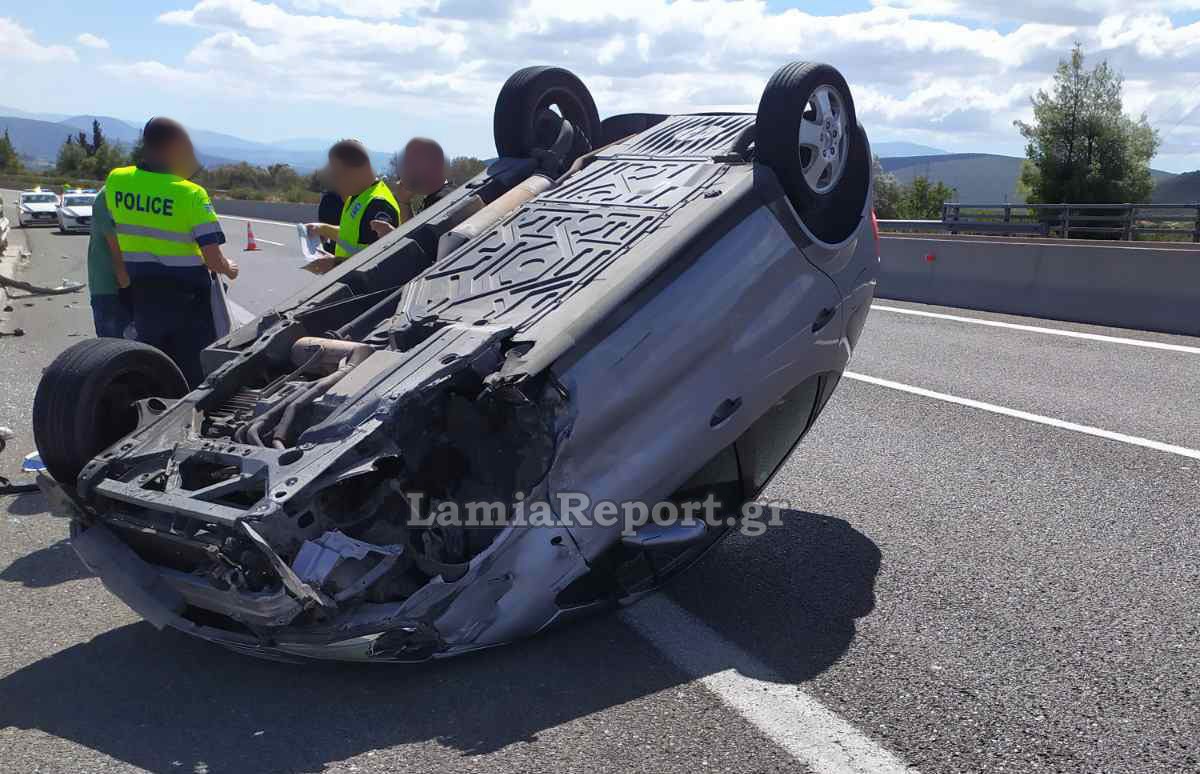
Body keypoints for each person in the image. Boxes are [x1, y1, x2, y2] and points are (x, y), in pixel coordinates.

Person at [105, 117, 239, 387]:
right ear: (175, 148)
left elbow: (113, 230)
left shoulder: (117, 180)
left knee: (152, 364)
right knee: (193, 371)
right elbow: (213, 259)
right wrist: (230, 268)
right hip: (189, 301)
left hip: (144, 293)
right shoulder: (191, 194)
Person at [304, 139, 401, 273]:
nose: (334, 182)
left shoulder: (378, 205)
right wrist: (322, 229)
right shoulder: (357, 196)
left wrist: (334, 264)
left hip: (362, 284)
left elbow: (378, 261)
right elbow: (353, 236)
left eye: (337, 175)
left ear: (353, 173)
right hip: (349, 279)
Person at [370, 137, 451, 240]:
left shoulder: (440, 202)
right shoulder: (440, 196)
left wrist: (391, 235)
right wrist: (404, 202)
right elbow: (416, 234)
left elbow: (424, 246)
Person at [86, 184, 134, 338]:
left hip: (125, 286)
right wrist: (125, 283)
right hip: (110, 288)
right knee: (115, 344)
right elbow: (113, 243)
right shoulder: (108, 195)